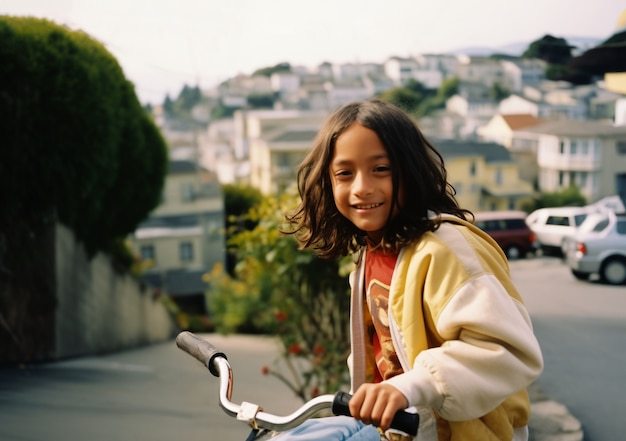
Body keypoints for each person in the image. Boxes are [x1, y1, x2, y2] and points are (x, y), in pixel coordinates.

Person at [275, 99, 543, 441]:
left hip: (456, 431)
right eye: (345, 173)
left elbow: (510, 353)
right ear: (327, 182)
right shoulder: (371, 251)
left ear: (410, 169)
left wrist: (411, 386)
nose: (361, 187)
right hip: (396, 426)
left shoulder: (446, 250)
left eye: (381, 169)